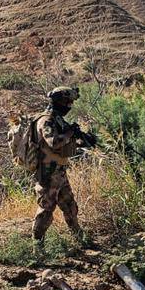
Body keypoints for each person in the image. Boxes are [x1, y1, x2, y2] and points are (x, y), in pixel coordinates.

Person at [32, 87, 92, 253]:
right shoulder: (46, 120)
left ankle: (79, 238)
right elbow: (54, 142)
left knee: (69, 205)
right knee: (45, 210)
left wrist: (82, 140)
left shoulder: (57, 119)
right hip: (47, 173)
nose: (70, 106)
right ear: (59, 102)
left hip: (59, 172)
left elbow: (66, 144)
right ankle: (37, 248)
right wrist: (70, 133)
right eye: (68, 102)